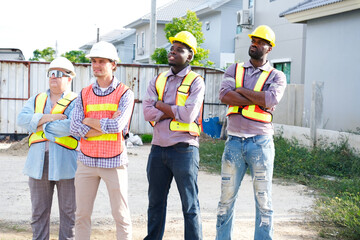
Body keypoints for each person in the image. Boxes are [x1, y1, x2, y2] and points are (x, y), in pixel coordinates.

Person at [215, 25, 287, 240]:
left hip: (261, 142)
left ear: (269, 48)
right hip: (234, 142)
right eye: (253, 40)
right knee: (225, 200)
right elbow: (224, 96)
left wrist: (240, 91)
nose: (254, 43)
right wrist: (257, 98)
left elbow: (271, 100)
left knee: (264, 200)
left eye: (260, 41)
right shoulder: (233, 69)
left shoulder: (277, 76)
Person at [143, 31, 205, 240]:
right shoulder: (158, 80)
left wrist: (160, 105)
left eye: (180, 50)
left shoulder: (196, 81)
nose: (173, 52)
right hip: (158, 149)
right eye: (172, 48)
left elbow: (188, 115)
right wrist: (171, 109)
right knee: (155, 203)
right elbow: (147, 113)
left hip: (184, 149)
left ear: (190, 56)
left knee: (190, 204)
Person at [70, 41, 134, 240]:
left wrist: (89, 123)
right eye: (94, 61)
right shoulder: (84, 93)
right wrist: (102, 124)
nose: (96, 66)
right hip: (87, 161)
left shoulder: (125, 93)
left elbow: (118, 127)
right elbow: (74, 128)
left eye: (102, 62)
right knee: (81, 215)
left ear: (113, 64)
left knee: (121, 215)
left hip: (114, 162)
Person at [17, 57, 79, 240]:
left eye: (59, 74)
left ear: (69, 78)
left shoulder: (76, 101)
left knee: (69, 213)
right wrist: (51, 118)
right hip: (38, 162)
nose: (53, 77)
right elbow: (21, 120)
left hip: (67, 164)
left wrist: (37, 124)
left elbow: (71, 126)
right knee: (38, 213)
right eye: (51, 73)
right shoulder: (37, 99)